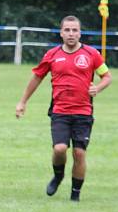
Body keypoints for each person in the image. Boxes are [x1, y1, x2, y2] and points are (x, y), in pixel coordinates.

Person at [15, 16, 112, 202]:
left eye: (74, 30)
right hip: (60, 110)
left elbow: (107, 76)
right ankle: (58, 176)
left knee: (79, 153)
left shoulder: (92, 54)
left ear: (80, 33)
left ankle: (75, 195)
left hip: (84, 112)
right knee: (60, 149)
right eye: (67, 30)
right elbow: (37, 78)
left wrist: (97, 88)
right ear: (61, 33)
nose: (71, 34)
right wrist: (23, 102)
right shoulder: (52, 55)